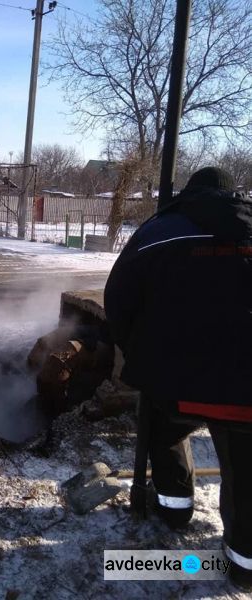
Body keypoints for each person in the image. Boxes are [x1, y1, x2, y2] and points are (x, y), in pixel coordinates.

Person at [103, 167, 252, 591]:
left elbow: (119, 300)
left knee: (164, 434)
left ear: (188, 194)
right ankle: (244, 564)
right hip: (247, 393)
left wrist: (139, 355)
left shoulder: (159, 231)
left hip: (174, 385)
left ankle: (173, 508)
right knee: (246, 471)